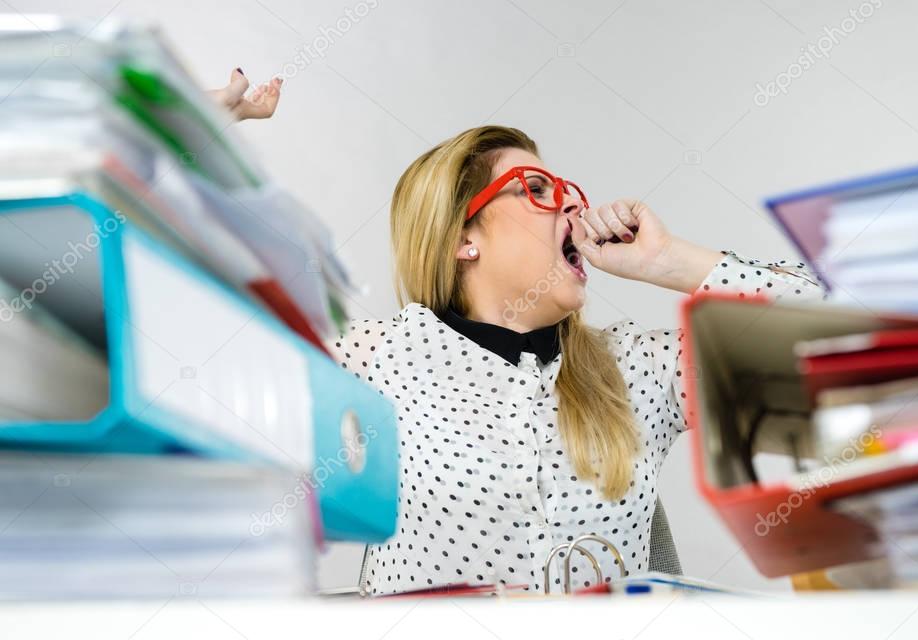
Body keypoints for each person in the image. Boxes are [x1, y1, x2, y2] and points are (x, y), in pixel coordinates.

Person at [212, 73, 825, 595]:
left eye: (566, 192)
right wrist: (196, 134)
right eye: (535, 190)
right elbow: (184, 336)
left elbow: (840, 331)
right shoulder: (377, 358)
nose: (571, 208)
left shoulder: (637, 369)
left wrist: (671, 262)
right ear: (461, 238)